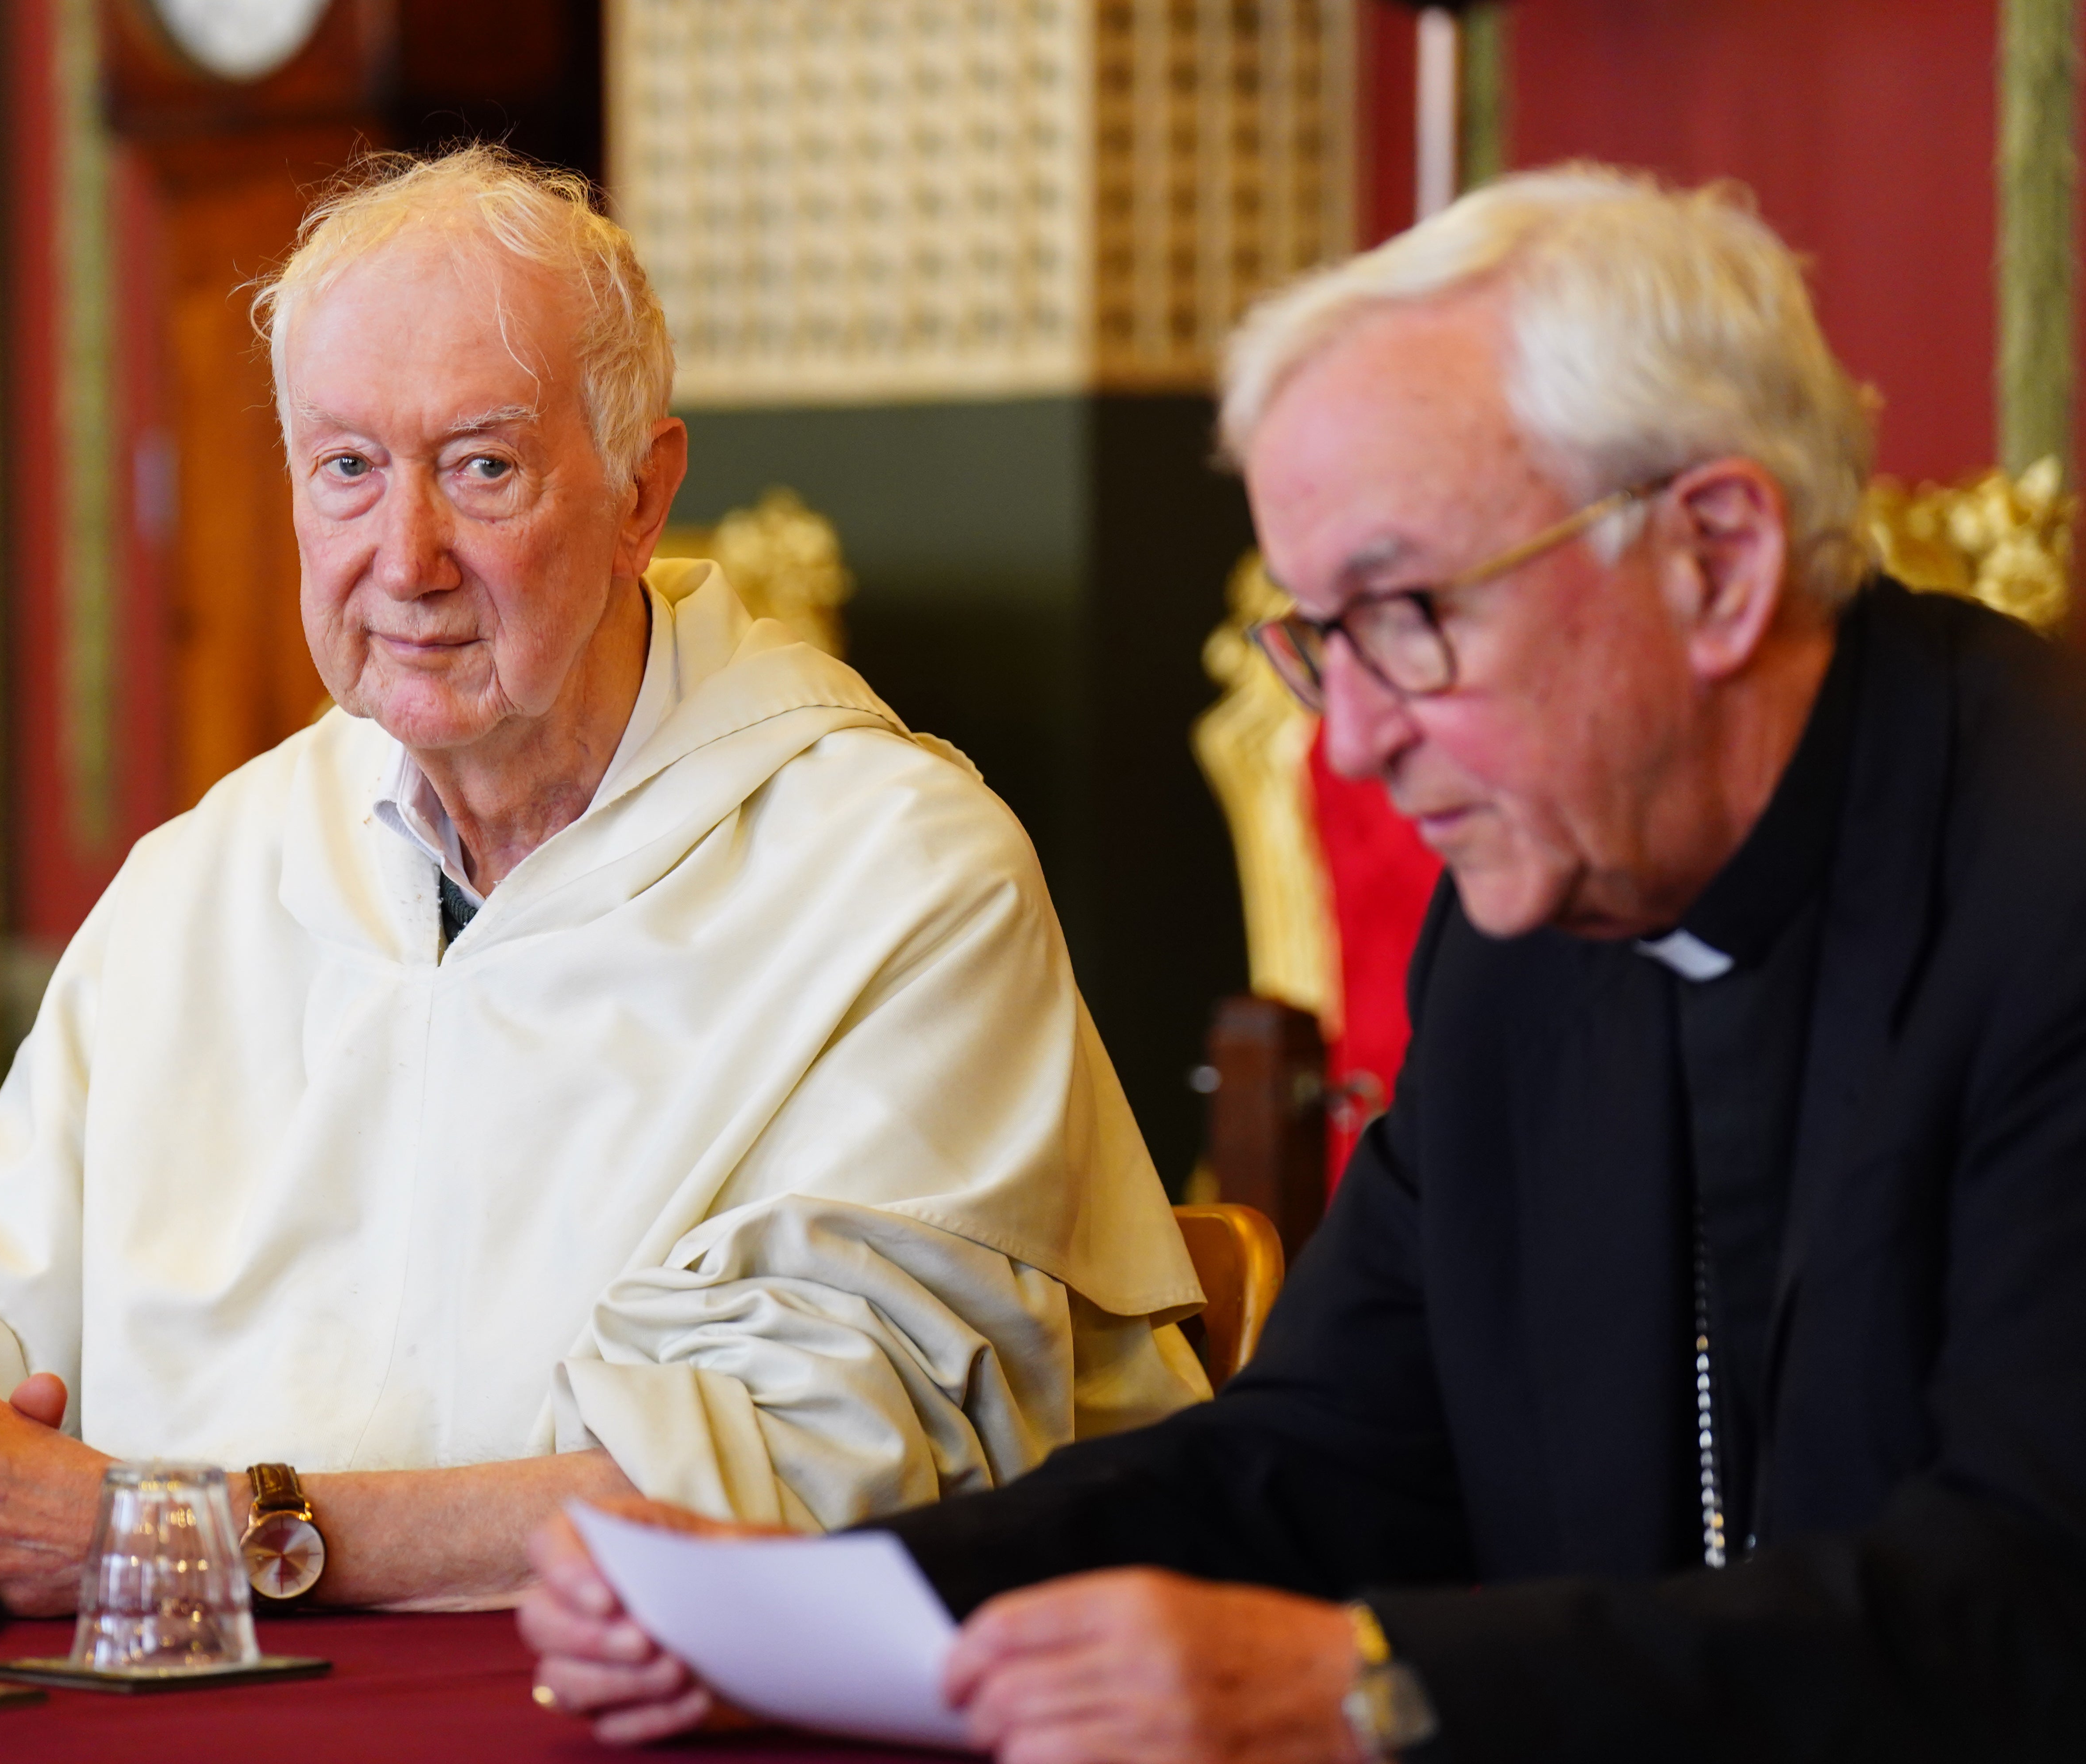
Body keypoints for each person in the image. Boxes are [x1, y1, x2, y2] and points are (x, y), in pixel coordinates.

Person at [522, 165, 2086, 1760]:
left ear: (1719, 559)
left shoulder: (2045, 876)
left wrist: (1372, 1688)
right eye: (1322, 636)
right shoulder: (1534, 931)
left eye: (1410, 614)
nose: (1352, 738)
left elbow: (2026, 1606)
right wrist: (828, 1611)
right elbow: (1316, 1458)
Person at [0, 145, 1207, 1617]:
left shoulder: (897, 879)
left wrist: (184, 1533)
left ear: (640, 495)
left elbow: (810, 1483)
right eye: (346, 468)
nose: (403, 559)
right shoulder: (206, 880)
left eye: (482, 466)